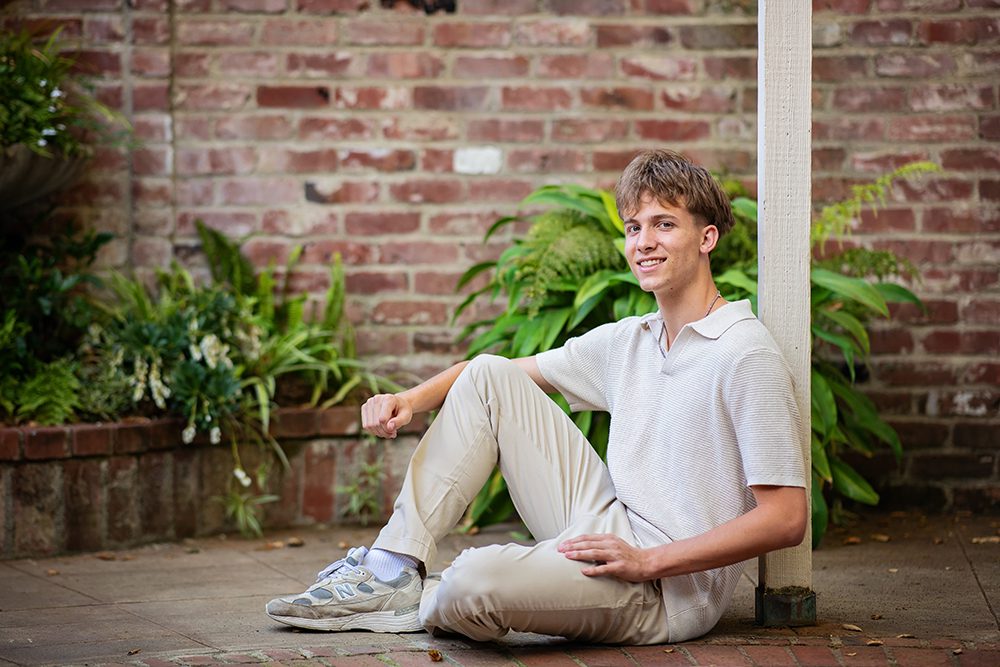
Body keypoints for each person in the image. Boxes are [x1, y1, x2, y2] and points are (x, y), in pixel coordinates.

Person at [265, 149, 808, 644]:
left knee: (472, 581)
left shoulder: (743, 353)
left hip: (662, 589)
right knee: (489, 374)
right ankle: (393, 569)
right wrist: (409, 399)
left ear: (706, 238)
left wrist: (648, 561)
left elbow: (785, 518)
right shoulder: (632, 339)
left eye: (664, 224)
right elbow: (487, 376)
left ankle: (441, 596)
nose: (644, 242)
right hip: (606, 522)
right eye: (634, 227)